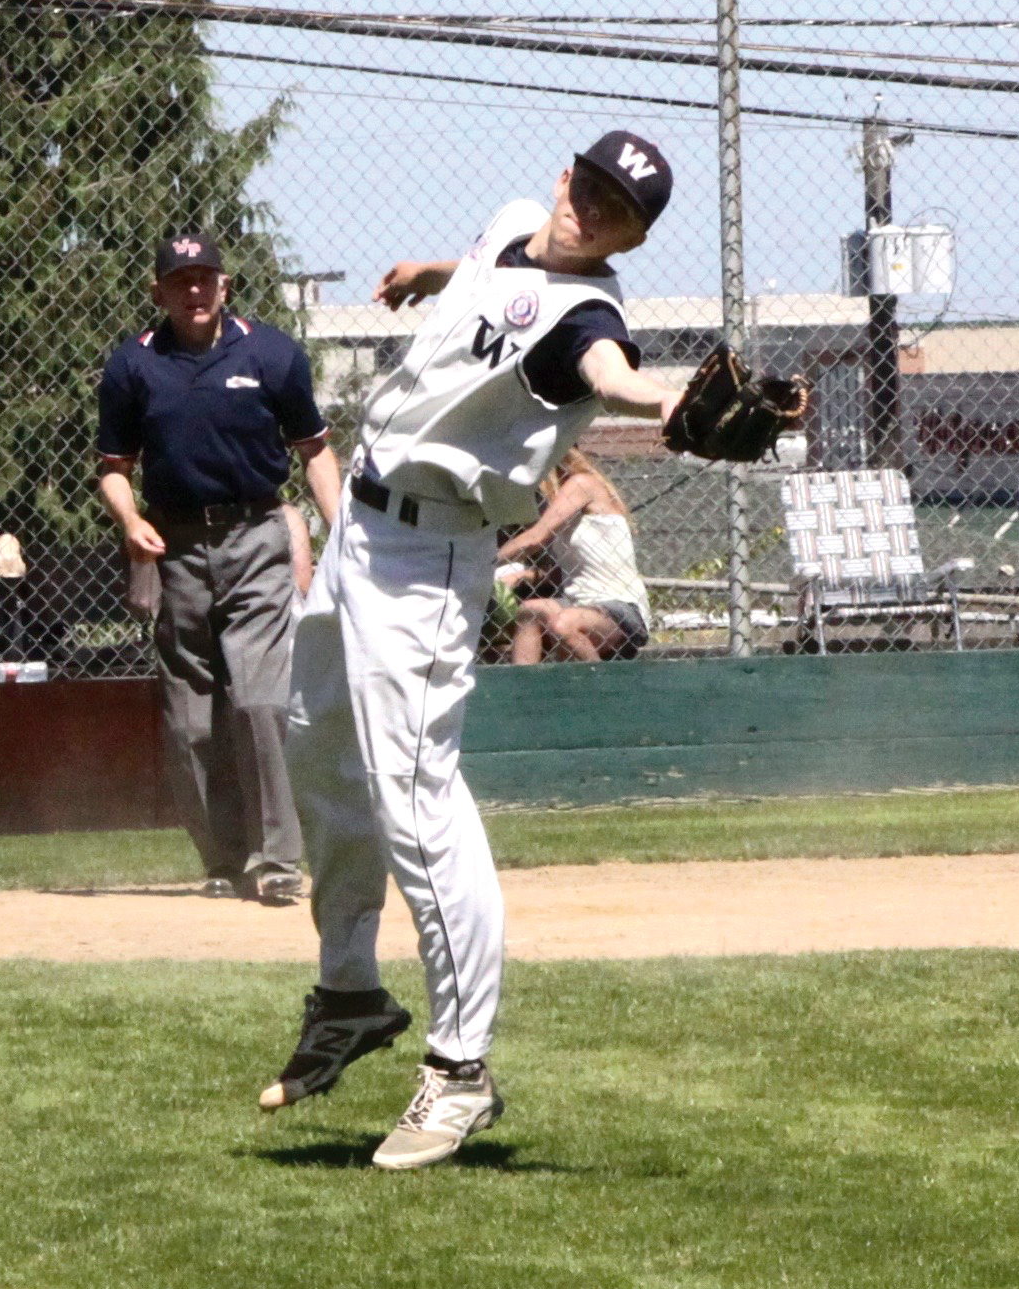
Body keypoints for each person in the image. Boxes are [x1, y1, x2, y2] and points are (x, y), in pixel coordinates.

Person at [261, 131, 685, 1169]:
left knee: (417, 797)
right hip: (360, 529)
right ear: (563, 177)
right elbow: (497, 281)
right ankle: (352, 992)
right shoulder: (509, 224)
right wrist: (430, 274)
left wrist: (667, 399)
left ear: (634, 235)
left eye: (617, 207)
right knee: (316, 741)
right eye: (588, 183)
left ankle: (459, 1070)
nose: (592, 207)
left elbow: (605, 370)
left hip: (427, 556)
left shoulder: (593, 318)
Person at [98, 233, 341, 905]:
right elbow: (114, 469)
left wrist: (345, 534)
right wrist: (130, 521)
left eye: (206, 278)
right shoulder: (133, 366)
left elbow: (314, 450)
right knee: (189, 722)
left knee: (261, 701)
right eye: (181, 281)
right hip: (174, 547)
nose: (195, 291)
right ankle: (224, 858)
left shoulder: (270, 353)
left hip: (258, 535)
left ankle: (279, 858)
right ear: (159, 293)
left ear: (226, 286)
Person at [498, 447, 652, 662]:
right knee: (529, 611)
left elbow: (535, 537)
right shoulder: (559, 506)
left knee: (563, 624)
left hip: (619, 606)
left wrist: (484, 561)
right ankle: (525, 693)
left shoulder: (583, 484)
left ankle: (604, 692)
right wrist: (521, 576)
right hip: (577, 603)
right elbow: (566, 571)